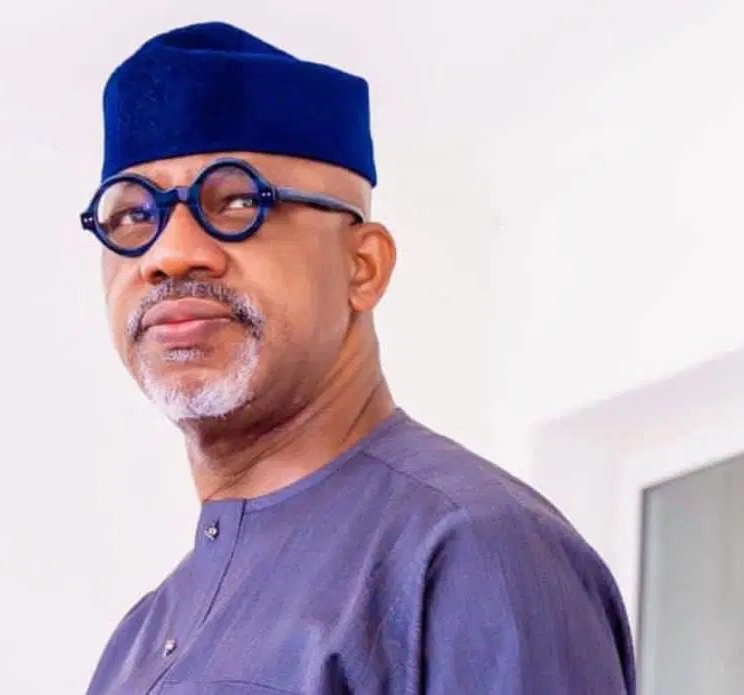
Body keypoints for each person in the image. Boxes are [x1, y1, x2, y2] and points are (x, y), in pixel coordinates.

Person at [81, 21, 636, 694]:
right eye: (132, 216)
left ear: (362, 265)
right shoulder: (137, 642)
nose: (169, 255)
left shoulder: (475, 550)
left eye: (237, 202)